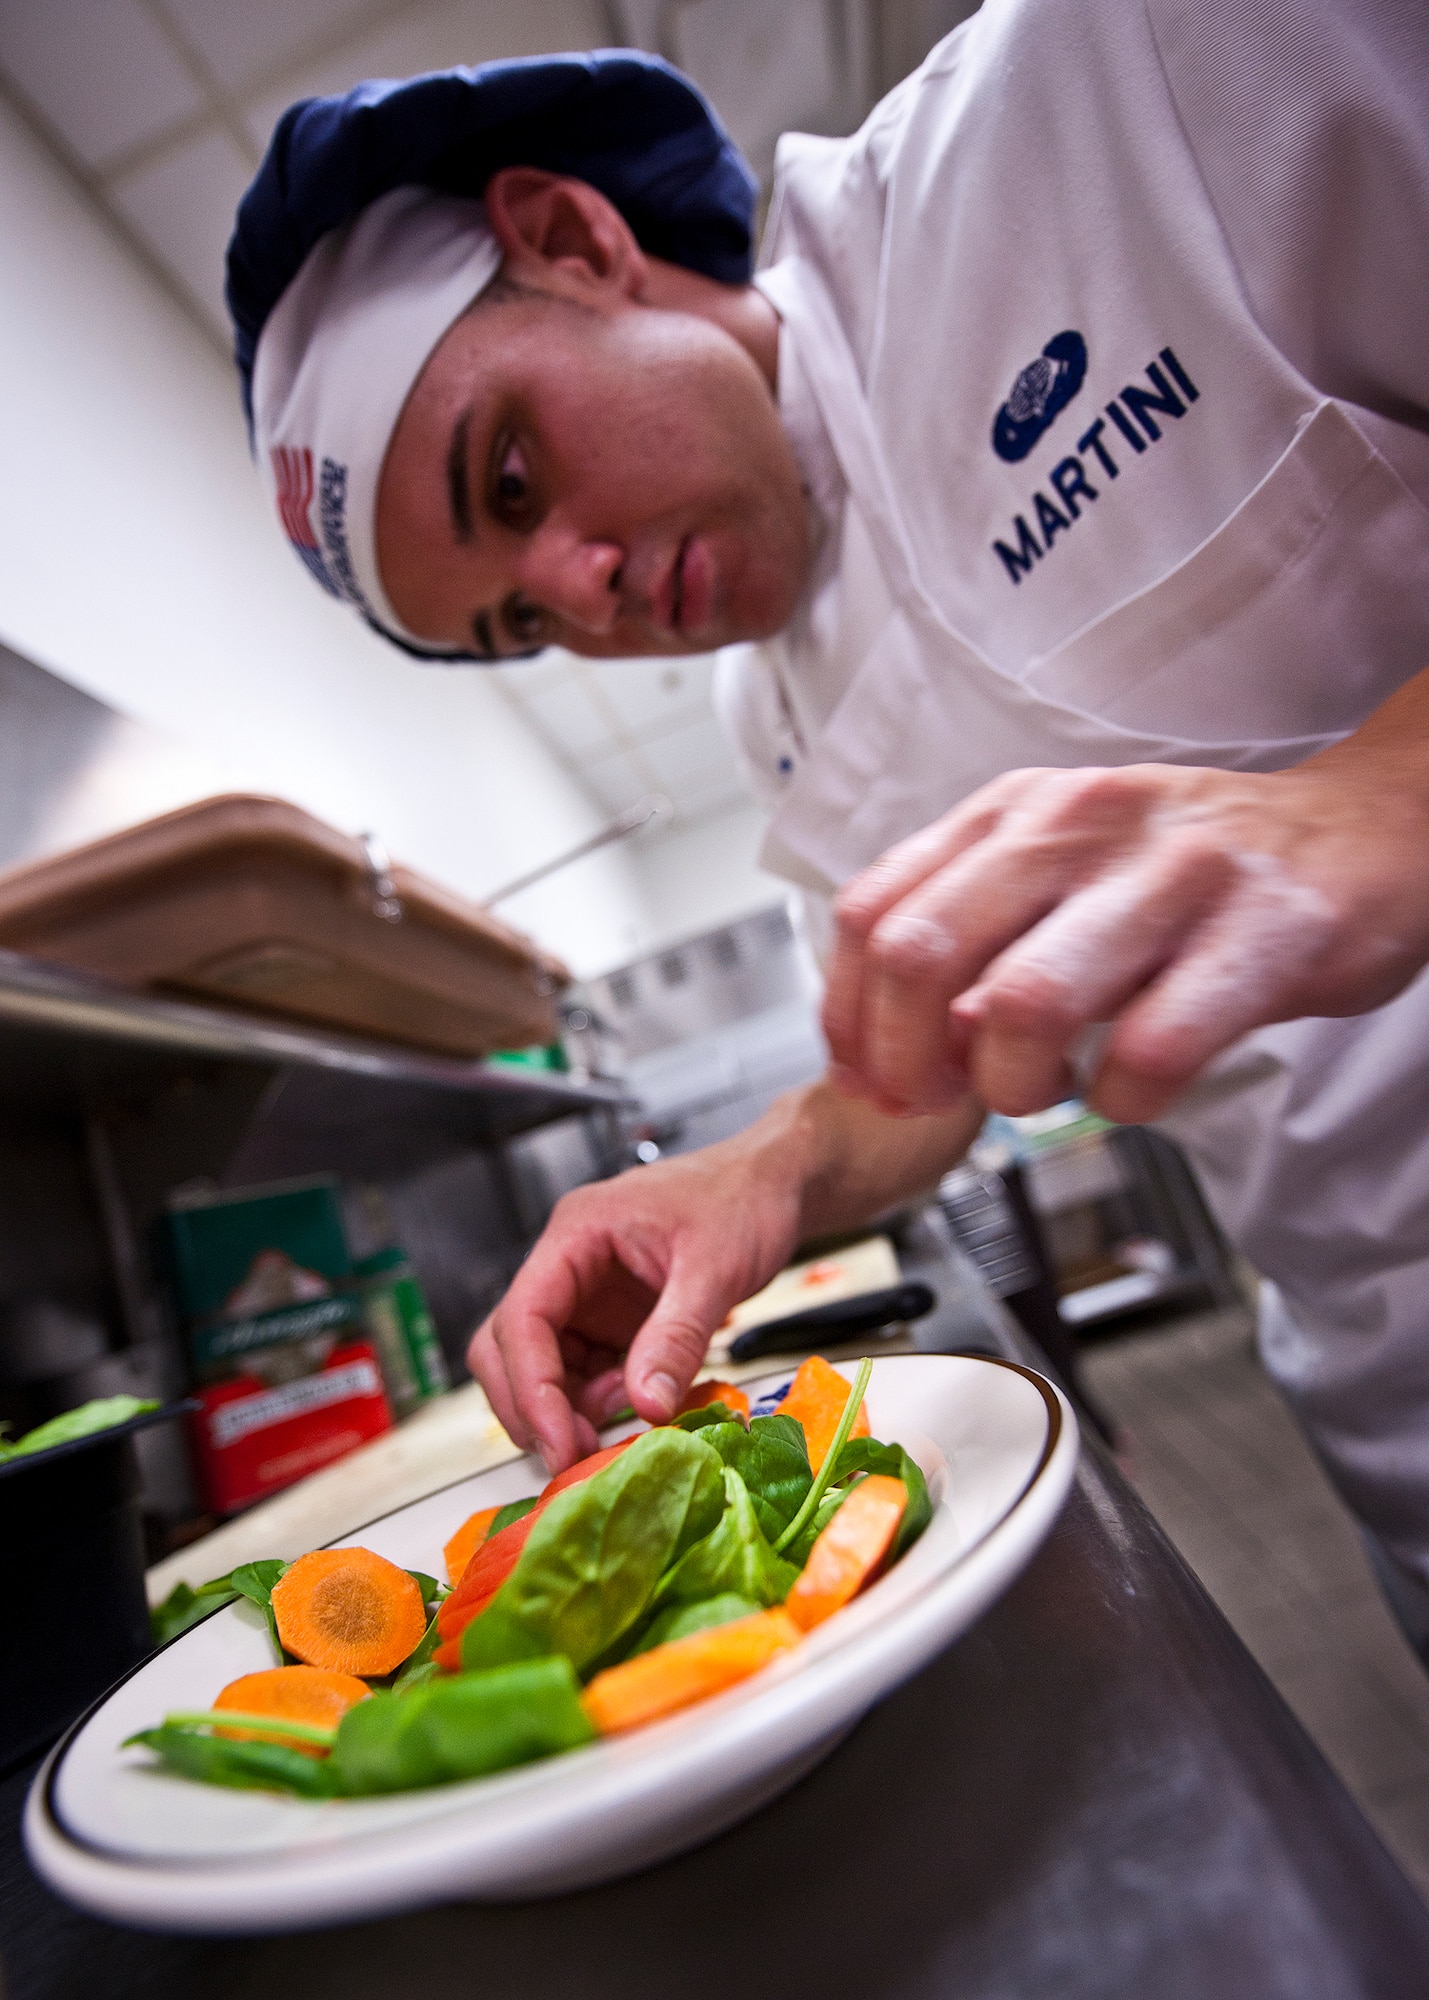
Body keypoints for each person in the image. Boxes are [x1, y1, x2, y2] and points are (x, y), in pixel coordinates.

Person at [228, 5, 1429, 1622]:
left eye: (510, 476)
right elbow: (912, 1062)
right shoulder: (768, 716)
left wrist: (1380, 794)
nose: (578, 594)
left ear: (575, 239)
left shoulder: (1125, 93)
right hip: (1384, 1400)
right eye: (520, 623)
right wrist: (768, 1167)